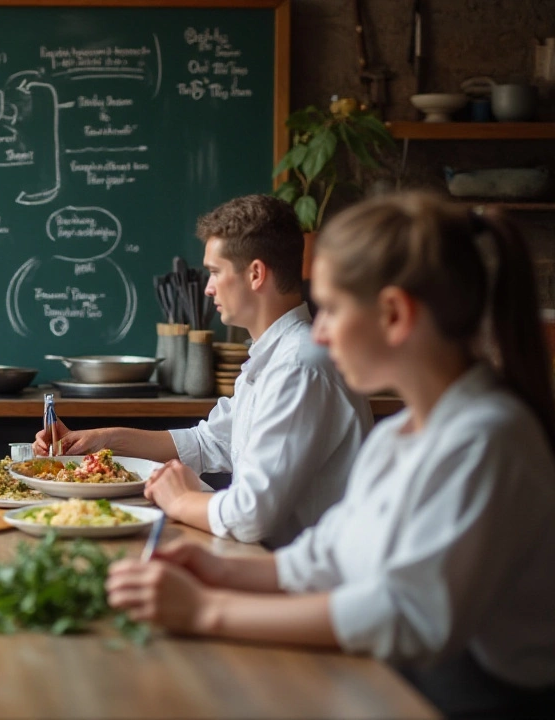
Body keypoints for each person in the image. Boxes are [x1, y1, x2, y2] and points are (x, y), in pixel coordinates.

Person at [106, 193, 555, 717]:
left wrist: (207, 610)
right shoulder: (401, 436)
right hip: (408, 676)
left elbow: (406, 617)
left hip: (475, 697)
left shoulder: (487, 439)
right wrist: (217, 570)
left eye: (333, 309)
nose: (318, 332)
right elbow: (331, 554)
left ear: (393, 315)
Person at [36, 195, 372, 547]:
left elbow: (250, 515)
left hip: (295, 580)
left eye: (215, 272)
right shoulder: (275, 355)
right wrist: (102, 441)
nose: (208, 288)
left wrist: (179, 499)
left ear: (256, 274)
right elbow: (210, 442)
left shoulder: (299, 366)